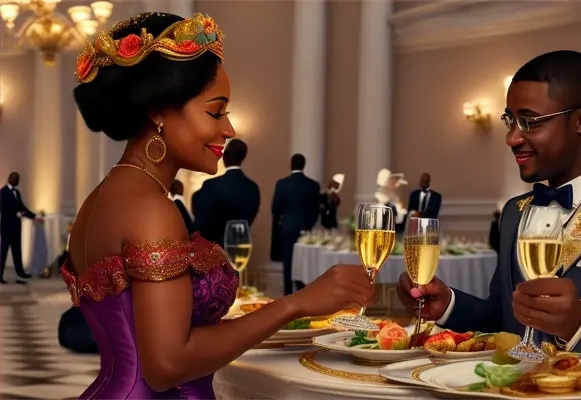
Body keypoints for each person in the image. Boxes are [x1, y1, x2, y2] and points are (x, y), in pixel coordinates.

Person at [65, 13, 373, 399]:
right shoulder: (150, 209)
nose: (229, 129)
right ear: (158, 110)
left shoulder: (102, 197)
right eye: (215, 111)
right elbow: (166, 367)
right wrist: (296, 303)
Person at [397, 50, 581, 372]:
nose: (512, 137)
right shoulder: (515, 212)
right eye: (510, 120)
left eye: (529, 121)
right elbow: (506, 321)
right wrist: (450, 305)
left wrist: (580, 325)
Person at [192, 139, 260, 245]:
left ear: (225, 156)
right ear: (242, 158)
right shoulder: (253, 188)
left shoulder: (211, 185)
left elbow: (201, 224)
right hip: (239, 248)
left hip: (214, 251)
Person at [271, 154, 321, 295]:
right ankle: (303, 296)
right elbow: (316, 211)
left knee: (288, 265)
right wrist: (308, 225)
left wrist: (284, 220)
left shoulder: (282, 184)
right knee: (304, 265)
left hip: (287, 229)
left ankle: (288, 296)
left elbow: (275, 208)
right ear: (303, 165)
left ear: (291, 165)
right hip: (306, 231)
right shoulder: (313, 185)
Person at [0, 171, 39, 283]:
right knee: (3, 252)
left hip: (16, 227)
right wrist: (15, 214)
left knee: (17, 251)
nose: (17, 181)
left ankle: (20, 272)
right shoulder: (2, 192)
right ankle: (0, 276)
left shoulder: (16, 192)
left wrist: (34, 216)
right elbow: (2, 209)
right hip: (6, 227)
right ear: (12, 179)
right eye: (16, 179)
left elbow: (22, 207)